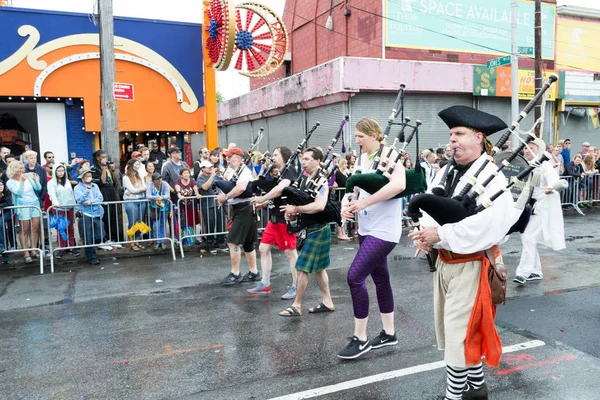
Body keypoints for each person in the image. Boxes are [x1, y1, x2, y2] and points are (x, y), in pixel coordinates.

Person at [408, 105, 515, 400]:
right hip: (445, 263)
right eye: (451, 134)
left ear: (478, 137)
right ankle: (477, 389)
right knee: (457, 331)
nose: (452, 140)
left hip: (473, 266)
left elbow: (490, 225)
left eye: (459, 134)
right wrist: (425, 235)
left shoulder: (493, 177)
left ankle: (453, 396)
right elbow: (433, 206)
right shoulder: (445, 171)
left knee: (459, 335)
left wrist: (441, 234)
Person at [335, 117, 406, 359]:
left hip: (384, 231)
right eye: (355, 136)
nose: (357, 141)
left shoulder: (391, 157)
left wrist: (364, 202)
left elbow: (398, 186)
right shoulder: (363, 158)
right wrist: (346, 203)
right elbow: (353, 186)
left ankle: (361, 338)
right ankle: (389, 333)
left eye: (360, 137)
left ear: (374, 135)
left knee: (355, 277)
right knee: (381, 279)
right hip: (366, 227)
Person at [277, 147, 335, 317]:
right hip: (308, 229)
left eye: (308, 159)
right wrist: (291, 211)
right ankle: (327, 301)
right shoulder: (304, 180)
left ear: (318, 161)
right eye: (303, 159)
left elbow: (319, 206)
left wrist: (295, 209)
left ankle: (296, 305)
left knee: (301, 267)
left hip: (318, 229)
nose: (304, 162)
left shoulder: (321, 181)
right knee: (319, 269)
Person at [248, 146, 299, 298]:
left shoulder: (290, 171)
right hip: (275, 218)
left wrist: (262, 198)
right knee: (263, 248)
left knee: (290, 253)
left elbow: (279, 190)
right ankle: (265, 283)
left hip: (285, 217)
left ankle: (297, 286)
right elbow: (276, 196)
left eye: (276, 155)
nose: (273, 157)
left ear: (284, 156)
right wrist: (263, 204)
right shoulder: (280, 173)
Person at [513, 138, 565, 285]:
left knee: (528, 237)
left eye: (531, 148)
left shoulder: (545, 166)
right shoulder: (524, 165)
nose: (526, 150)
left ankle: (523, 272)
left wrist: (552, 187)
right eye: (525, 148)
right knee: (527, 238)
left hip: (541, 207)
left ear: (539, 150)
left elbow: (555, 181)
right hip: (527, 208)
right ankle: (536, 271)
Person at [216, 147, 260, 285]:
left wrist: (226, 197)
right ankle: (254, 272)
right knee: (247, 243)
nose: (228, 159)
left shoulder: (244, 172)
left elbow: (241, 188)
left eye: (230, 157)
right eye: (227, 157)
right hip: (242, 208)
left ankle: (235, 274)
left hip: (244, 208)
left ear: (238, 158)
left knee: (232, 241)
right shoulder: (236, 172)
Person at [6, 160, 42, 263]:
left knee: (35, 228)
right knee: (24, 230)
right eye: (19, 168)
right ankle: (26, 252)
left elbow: (38, 188)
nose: (22, 170)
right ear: (13, 169)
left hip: (34, 203)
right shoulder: (10, 182)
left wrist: (35, 180)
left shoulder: (28, 177)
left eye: (22, 168)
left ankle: (34, 250)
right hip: (22, 206)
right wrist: (21, 181)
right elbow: (19, 192)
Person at [91, 150, 122, 249]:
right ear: (97, 158)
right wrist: (104, 169)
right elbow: (102, 181)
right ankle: (105, 238)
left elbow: (114, 181)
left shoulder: (108, 167)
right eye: (103, 157)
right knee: (105, 215)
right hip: (102, 192)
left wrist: (112, 170)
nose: (105, 159)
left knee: (113, 215)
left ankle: (113, 238)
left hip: (111, 191)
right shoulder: (94, 169)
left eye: (106, 157)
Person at [47, 163, 79, 258]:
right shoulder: (51, 183)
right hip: (59, 208)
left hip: (69, 206)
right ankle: (62, 248)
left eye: (62, 171)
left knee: (70, 227)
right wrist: (56, 203)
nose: (61, 173)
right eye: (58, 171)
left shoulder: (67, 182)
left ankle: (71, 246)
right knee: (61, 228)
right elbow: (52, 194)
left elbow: (71, 194)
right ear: (55, 171)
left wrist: (75, 205)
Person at [73, 168, 104, 265]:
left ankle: (90, 248)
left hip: (96, 213)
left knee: (100, 235)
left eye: (90, 176)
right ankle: (91, 256)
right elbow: (79, 200)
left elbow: (100, 198)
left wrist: (91, 202)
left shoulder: (95, 186)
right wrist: (87, 191)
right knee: (88, 236)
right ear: (82, 177)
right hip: (85, 214)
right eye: (87, 176)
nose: (89, 178)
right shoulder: (77, 188)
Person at [196, 160, 227, 254]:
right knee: (210, 225)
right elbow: (204, 187)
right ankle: (210, 244)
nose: (210, 168)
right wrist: (212, 175)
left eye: (211, 166)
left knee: (221, 223)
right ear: (202, 169)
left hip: (218, 203)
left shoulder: (217, 176)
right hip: (207, 205)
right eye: (208, 167)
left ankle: (220, 242)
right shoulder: (201, 178)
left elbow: (224, 184)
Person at [122, 159, 147, 251]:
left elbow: (143, 187)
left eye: (139, 164)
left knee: (139, 223)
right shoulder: (126, 177)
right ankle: (131, 242)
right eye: (136, 164)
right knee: (132, 222)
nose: (138, 166)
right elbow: (132, 190)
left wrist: (138, 190)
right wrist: (141, 190)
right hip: (131, 201)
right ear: (131, 165)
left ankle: (137, 241)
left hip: (141, 200)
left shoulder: (139, 175)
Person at [174, 167, 201, 244]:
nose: (187, 174)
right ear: (181, 175)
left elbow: (195, 190)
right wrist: (179, 194)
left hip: (191, 206)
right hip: (182, 206)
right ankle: (183, 239)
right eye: (185, 173)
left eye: (188, 173)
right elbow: (177, 189)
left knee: (192, 221)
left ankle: (192, 238)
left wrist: (197, 194)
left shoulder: (192, 181)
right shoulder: (178, 181)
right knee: (183, 222)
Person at [146, 173, 171, 251]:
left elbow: (168, 195)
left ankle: (162, 241)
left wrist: (162, 197)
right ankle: (157, 241)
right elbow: (148, 196)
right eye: (157, 179)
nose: (159, 180)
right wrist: (156, 197)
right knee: (155, 225)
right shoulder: (150, 185)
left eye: (160, 178)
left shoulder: (165, 184)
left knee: (163, 224)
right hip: (154, 208)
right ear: (153, 180)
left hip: (164, 207)